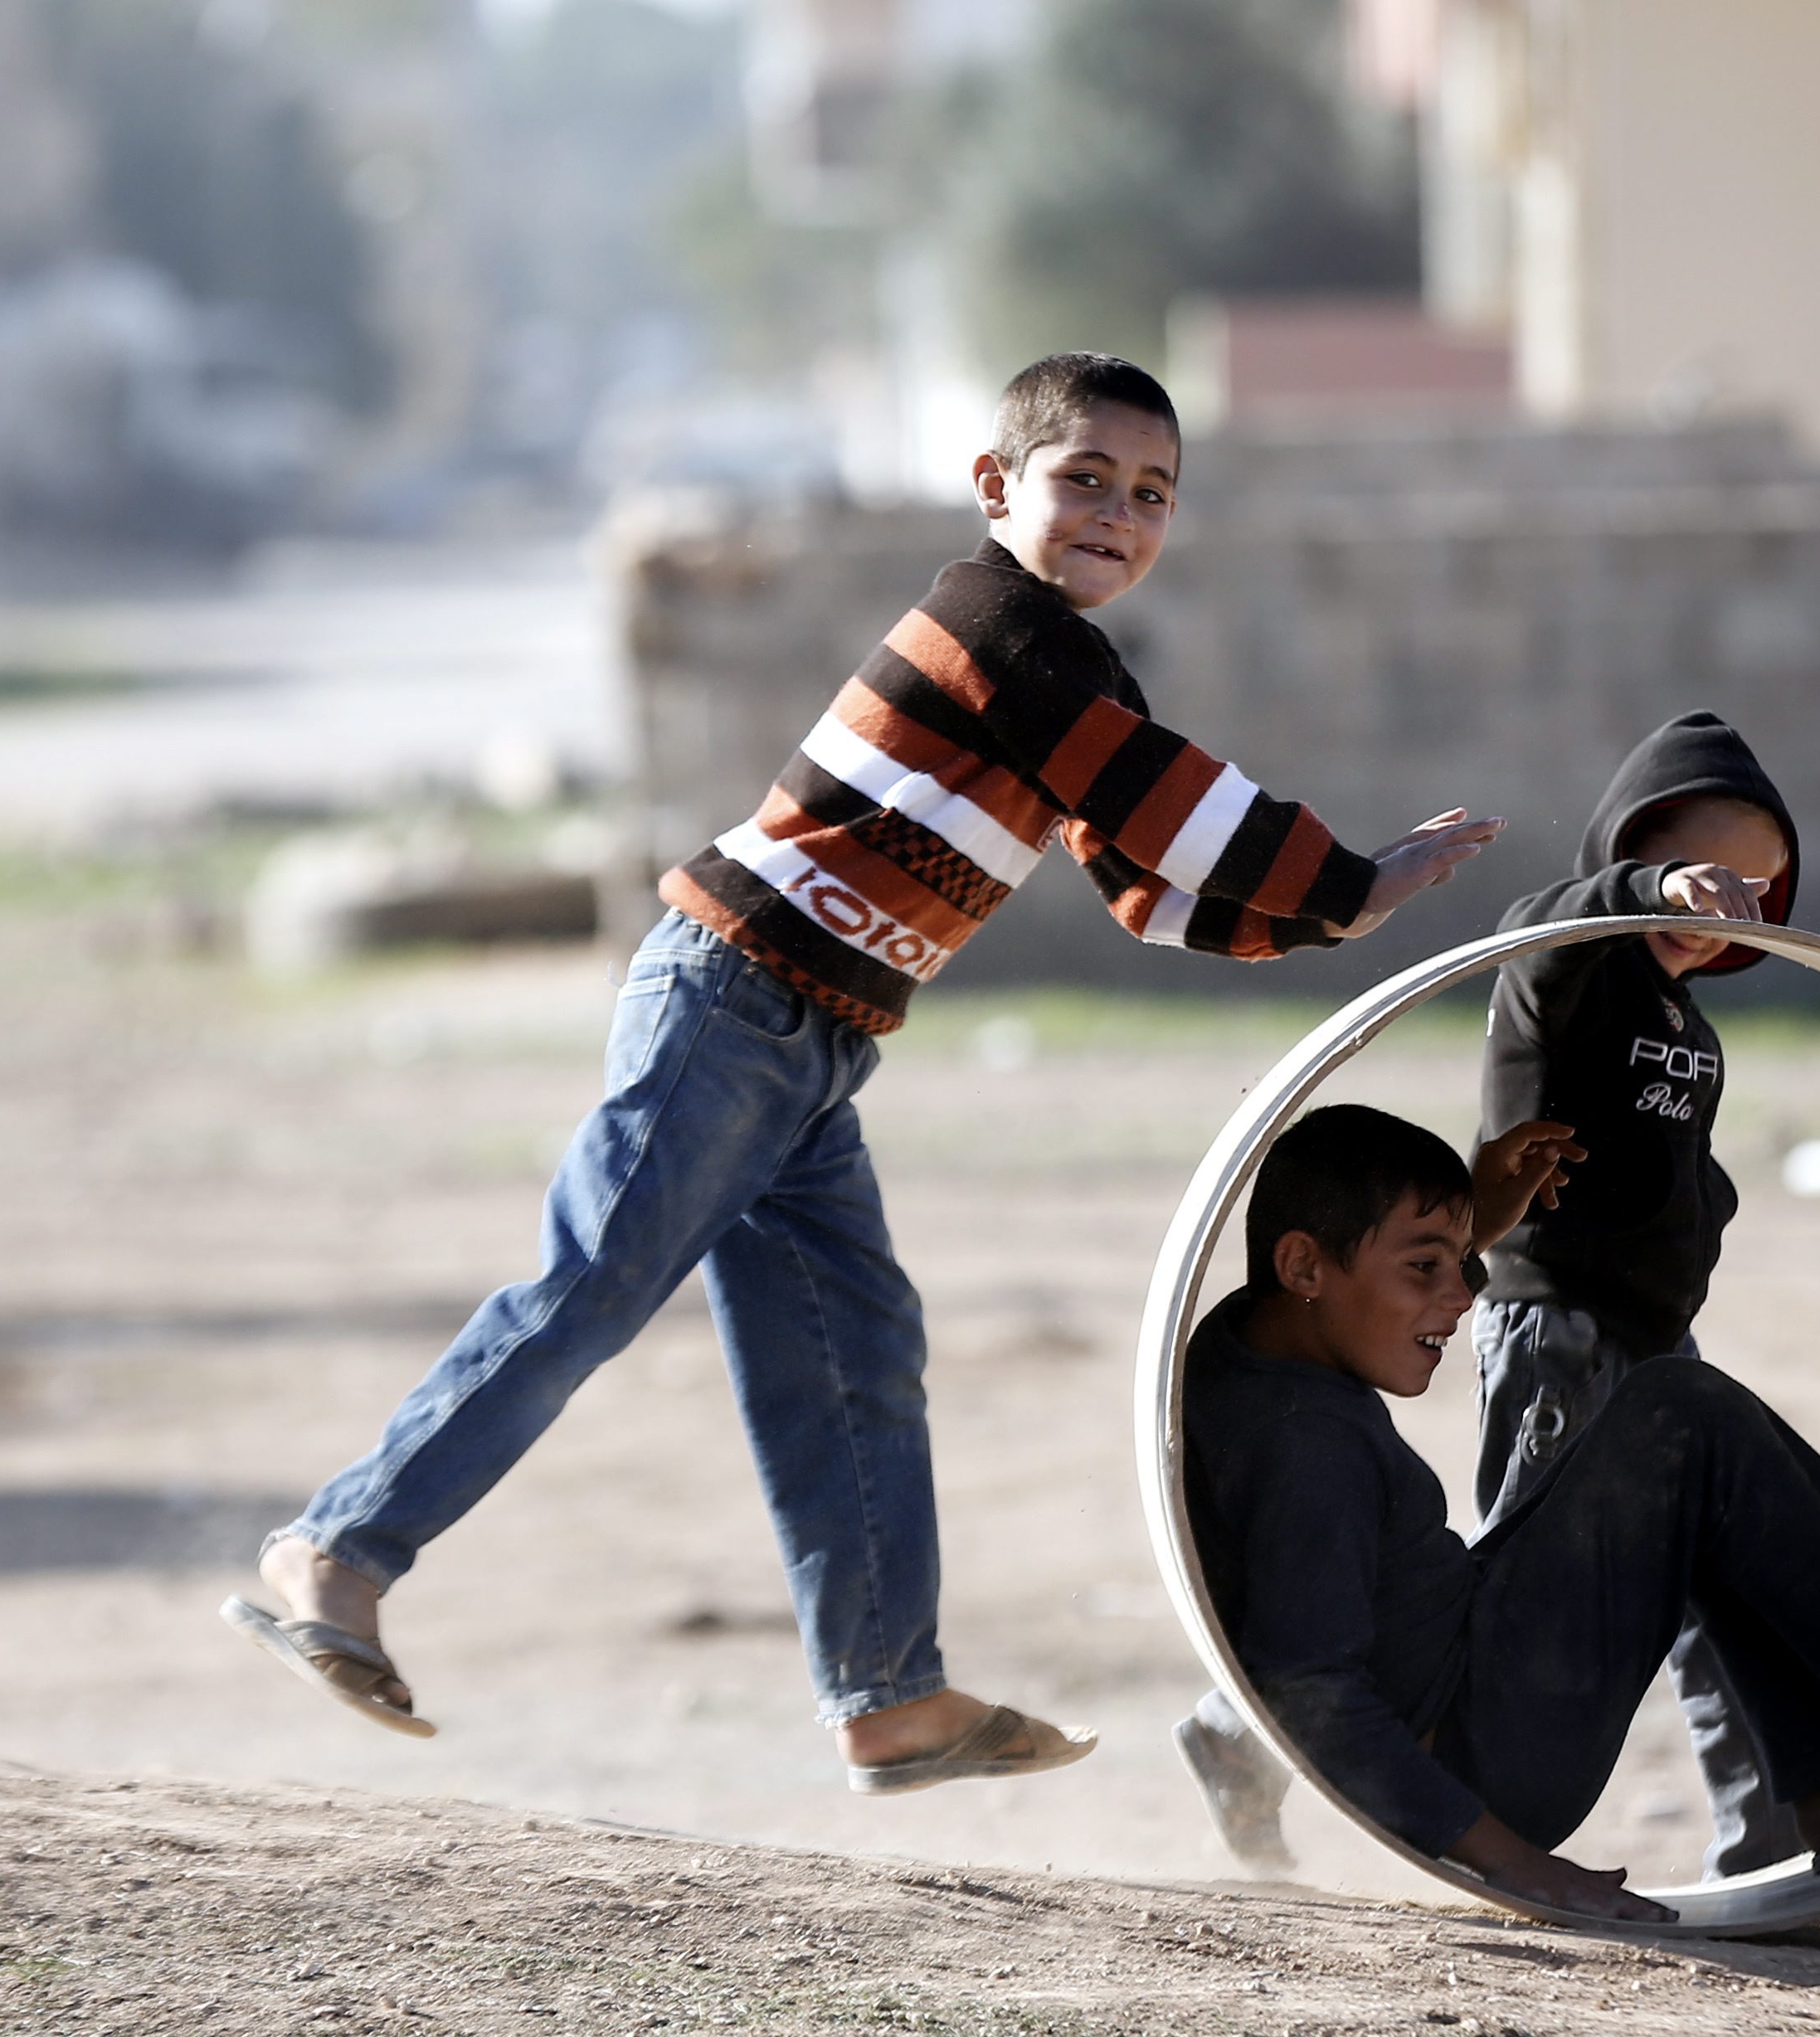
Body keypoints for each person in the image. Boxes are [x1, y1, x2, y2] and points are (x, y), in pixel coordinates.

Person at [222, 352, 1506, 1796]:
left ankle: (887, 1697)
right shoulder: (995, 626)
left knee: (852, 1357)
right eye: (1083, 477)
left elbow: (1145, 886)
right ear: (994, 489)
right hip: (730, 998)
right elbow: (1168, 801)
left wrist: (1332, 910)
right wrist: (1343, 881)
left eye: (1150, 494)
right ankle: (332, 1551)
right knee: (590, 1290)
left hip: (816, 1047)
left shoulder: (1076, 676)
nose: (1117, 513)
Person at [1173, 711, 1810, 1879]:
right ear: (1641, 856)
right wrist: (1647, 889)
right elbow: (1533, 927)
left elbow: (1672, 1167)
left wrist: (1700, 1216)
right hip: (1557, 1324)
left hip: (1658, 1337)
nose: (1734, 906)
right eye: (1711, 875)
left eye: (1760, 892)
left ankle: (1766, 1827)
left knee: (1701, 1566)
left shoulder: (1690, 1027)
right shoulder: (1570, 975)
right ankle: (1247, 1735)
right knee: (1523, 1575)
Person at [1180, 1105, 1820, 1922]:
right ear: (1301, 1262)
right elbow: (1313, 1692)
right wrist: (1523, 1868)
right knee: (1680, 1417)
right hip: (1485, 1745)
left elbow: (1342, 1299)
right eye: (1426, 1267)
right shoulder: (1306, 1447)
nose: (1460, 1296)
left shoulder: (1249, 1347)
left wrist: (1464, 1227)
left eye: (1460, 1264)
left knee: (1670, 1480)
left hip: (1459, 1675)